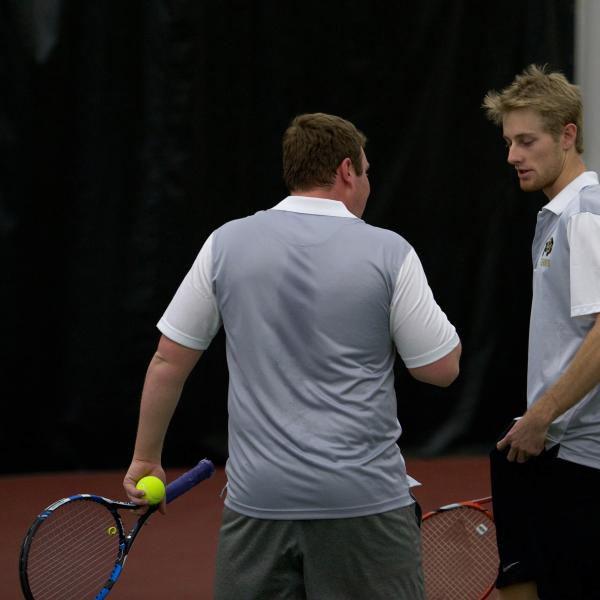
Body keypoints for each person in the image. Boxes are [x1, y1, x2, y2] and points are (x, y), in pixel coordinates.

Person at [123, 112, 461, 599]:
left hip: (258, 504)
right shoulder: (391, 251)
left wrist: (145, 460)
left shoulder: (225, 243)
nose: (368, 183)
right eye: (366, 171)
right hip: (365, 503)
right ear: (347, 170)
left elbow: (167, 361)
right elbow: (440, 369)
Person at [483, 65, 600, 600]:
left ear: (568, 134)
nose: (512, 155)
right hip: (555, 450)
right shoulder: (558, 216)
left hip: (582, 459)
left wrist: (542, 415)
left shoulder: (585, 212)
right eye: (509, 141)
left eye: (526, 140)